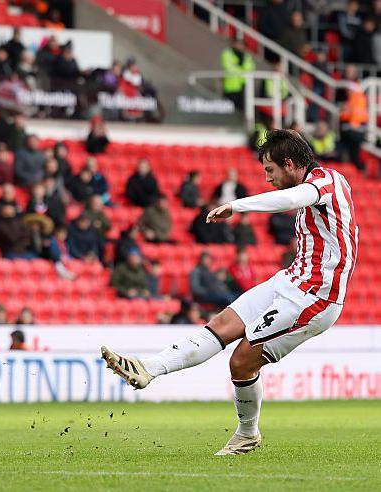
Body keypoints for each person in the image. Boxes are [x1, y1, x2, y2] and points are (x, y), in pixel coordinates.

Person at [102, 129, 358, 455]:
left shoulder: (326, 182)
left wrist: (236, 206)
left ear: (291, 164)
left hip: (316, 297)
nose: (267, 178)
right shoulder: (320, 183)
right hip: (291, 281)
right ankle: (148, 369)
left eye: (270, 170)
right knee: (222, 324)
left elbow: (293, 199)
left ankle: (247, 433)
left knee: (241, 362)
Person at [220, 38, 254, 110]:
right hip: (229, 86)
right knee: (228, 108)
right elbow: (229, 68)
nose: (240, 46)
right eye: (238, 44)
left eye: (242, 44)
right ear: (233, 44)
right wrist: (241, 69)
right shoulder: (227, 53)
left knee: (241, 109)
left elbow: (250, 69)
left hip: (243, 86)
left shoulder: (247, 56)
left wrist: (237, 66)